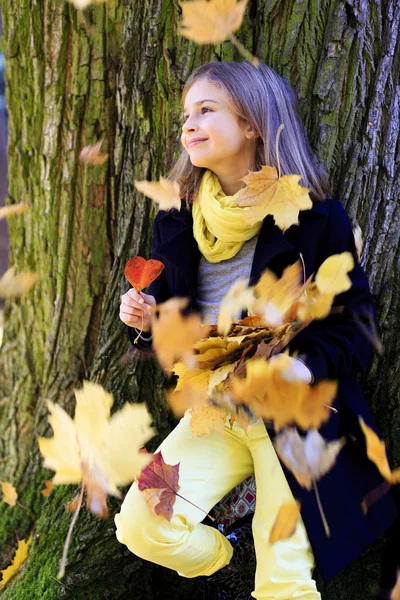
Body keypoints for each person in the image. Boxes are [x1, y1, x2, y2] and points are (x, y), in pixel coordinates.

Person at [115, 61, 398, 599]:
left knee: (284, 582)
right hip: (214, 412)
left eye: (206, 110)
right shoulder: (178, 221)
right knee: (141, 525)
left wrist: (300, 365)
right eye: (185, 115)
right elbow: (179, 327)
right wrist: (148, 323)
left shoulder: (314, 220)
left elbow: (357, 325)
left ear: (251, 125)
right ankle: (229, 547)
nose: (188, 125)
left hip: (293, 413)